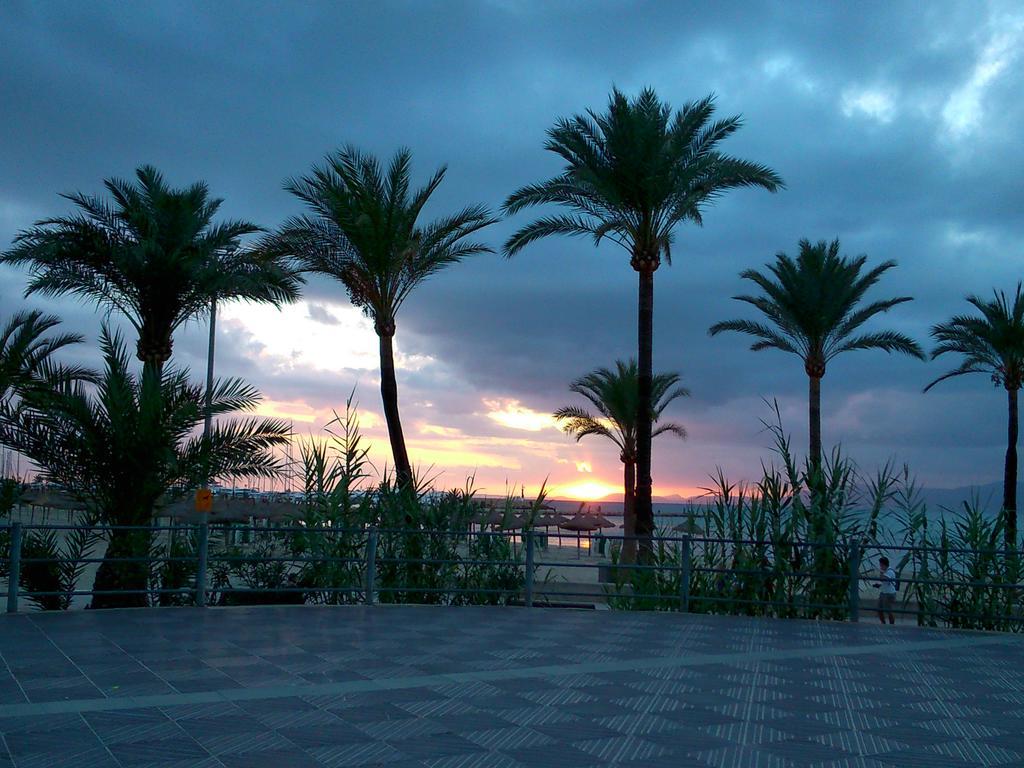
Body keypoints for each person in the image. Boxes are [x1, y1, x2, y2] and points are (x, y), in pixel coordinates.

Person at [871, 556, 897, 625]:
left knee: (888, 610)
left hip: (889, 594)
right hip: (883, 593)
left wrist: (881, 572)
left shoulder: (890, 572)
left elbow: (883, 579)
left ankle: (891, 624)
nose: (880, 567)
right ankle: (883, 622)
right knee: (879, 609)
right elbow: (882, 581)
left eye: (881, 565)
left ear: (884, 565)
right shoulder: (886, 571)